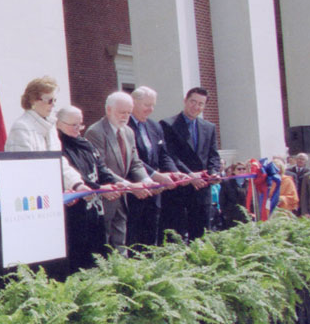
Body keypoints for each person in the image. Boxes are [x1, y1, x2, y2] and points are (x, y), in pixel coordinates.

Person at [56, 106, 122, 278]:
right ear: (59, 124)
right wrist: (99, 189)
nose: (78, 130)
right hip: (74, 213)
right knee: (79, 258)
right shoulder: (59, 146)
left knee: (98, 253)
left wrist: (115, 183)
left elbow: (101, 168)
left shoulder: (86, 144)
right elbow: (78, 176)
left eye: (81, 125)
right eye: (73, 125)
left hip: (95, 211)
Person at [84, 91, 154, 249]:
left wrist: (146, 180)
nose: (125, 117)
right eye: (122, 112)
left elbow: (135, 162)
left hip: (122, 199)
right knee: (104, 245)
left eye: (129, 113)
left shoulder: (128, 132)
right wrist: (128, 185)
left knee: (120, 243)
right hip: (106, 197)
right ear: (109, 110)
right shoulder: (95, 132)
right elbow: (101, 167)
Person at [4, 75, 87, 192]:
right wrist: (57, 191)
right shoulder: (21, 128)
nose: (53, 105)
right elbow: (24, 170)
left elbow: (59, 162)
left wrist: (77, 185)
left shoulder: (51, 128)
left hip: (51, 194)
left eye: (54, 100)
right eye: (49, 100)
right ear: (33, 100)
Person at [161, 87, 222, 241]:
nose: (196, 107)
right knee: (176, 237)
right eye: (193, 102)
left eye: (201, 104)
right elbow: (170, 156)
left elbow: (213, 155)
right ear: (185, 101)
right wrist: (190, 175)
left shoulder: (209, 127)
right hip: (180, 189)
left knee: (201, 237)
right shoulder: (168, 125)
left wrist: (214, 172)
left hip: (202, 190)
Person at [126, 86, 181, 247]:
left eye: (153, 105)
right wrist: (154, 176)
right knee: (134, 239)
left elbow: (164, 155)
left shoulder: (155, 126)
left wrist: (174, 173)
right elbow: (132, 159)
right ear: (133, 103)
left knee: (151, 237)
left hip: (155, 192)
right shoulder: (125, 126)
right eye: (146, 105)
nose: (150, 109)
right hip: (135, 191)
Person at [218, 160, 249, 228]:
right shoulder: (226, 184)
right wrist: (226, 214)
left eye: (244, 169)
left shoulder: (249, 183)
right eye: (239, 169)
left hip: (246, 216)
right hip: (232, 216)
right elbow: (222, 201)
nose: (242, 170)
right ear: (234, 171)